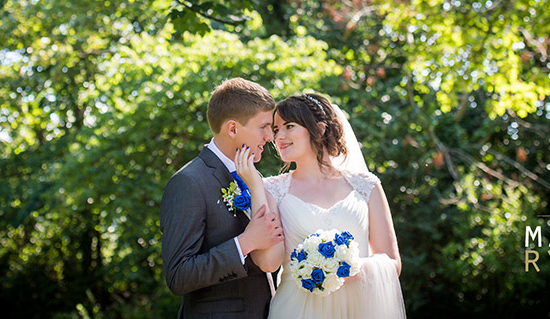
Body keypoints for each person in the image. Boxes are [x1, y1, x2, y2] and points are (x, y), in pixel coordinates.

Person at [235, 92, 406, 318]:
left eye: (289, 126)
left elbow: (393, 263)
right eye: (276, 130)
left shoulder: (367, 186)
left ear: (320, 129)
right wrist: (255, 187)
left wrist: (341, 266)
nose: (279, 137)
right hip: (297, 310)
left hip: (358, 310)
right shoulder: (272, 190)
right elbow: (268, 262)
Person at [160, 78, 285, 318]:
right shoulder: (189, 182)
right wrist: (244, 243)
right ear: (233, 129)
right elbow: (178, 276)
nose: (270, 136)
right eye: (263, 127)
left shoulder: (252, 176)